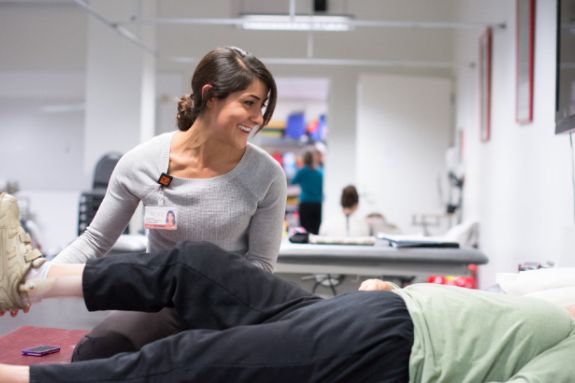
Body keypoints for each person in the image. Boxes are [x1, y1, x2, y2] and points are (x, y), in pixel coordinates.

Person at [1, 215, 575, 383]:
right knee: (199, 265)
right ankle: (31, 283)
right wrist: (400, 289)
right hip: (388, 313)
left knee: (199, 360)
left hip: (394, 351)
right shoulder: (557, 303)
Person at [12, 46, 288, 361]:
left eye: (262, 106)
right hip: (161, 302)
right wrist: (33, 284)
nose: (259, 118)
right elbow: (94, 241)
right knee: (95, 352)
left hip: (230, 303)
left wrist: (212, 297)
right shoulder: (143, 163)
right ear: (210, 96)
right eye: (249, 103)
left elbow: (261, 266)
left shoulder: (266, 175)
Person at [292, 150, 323, 234]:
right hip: (318, 204)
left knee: (305, 230)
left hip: (305, 203)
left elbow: (293, 181)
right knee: (317, 229)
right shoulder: (320, 172)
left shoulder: (302, 172)